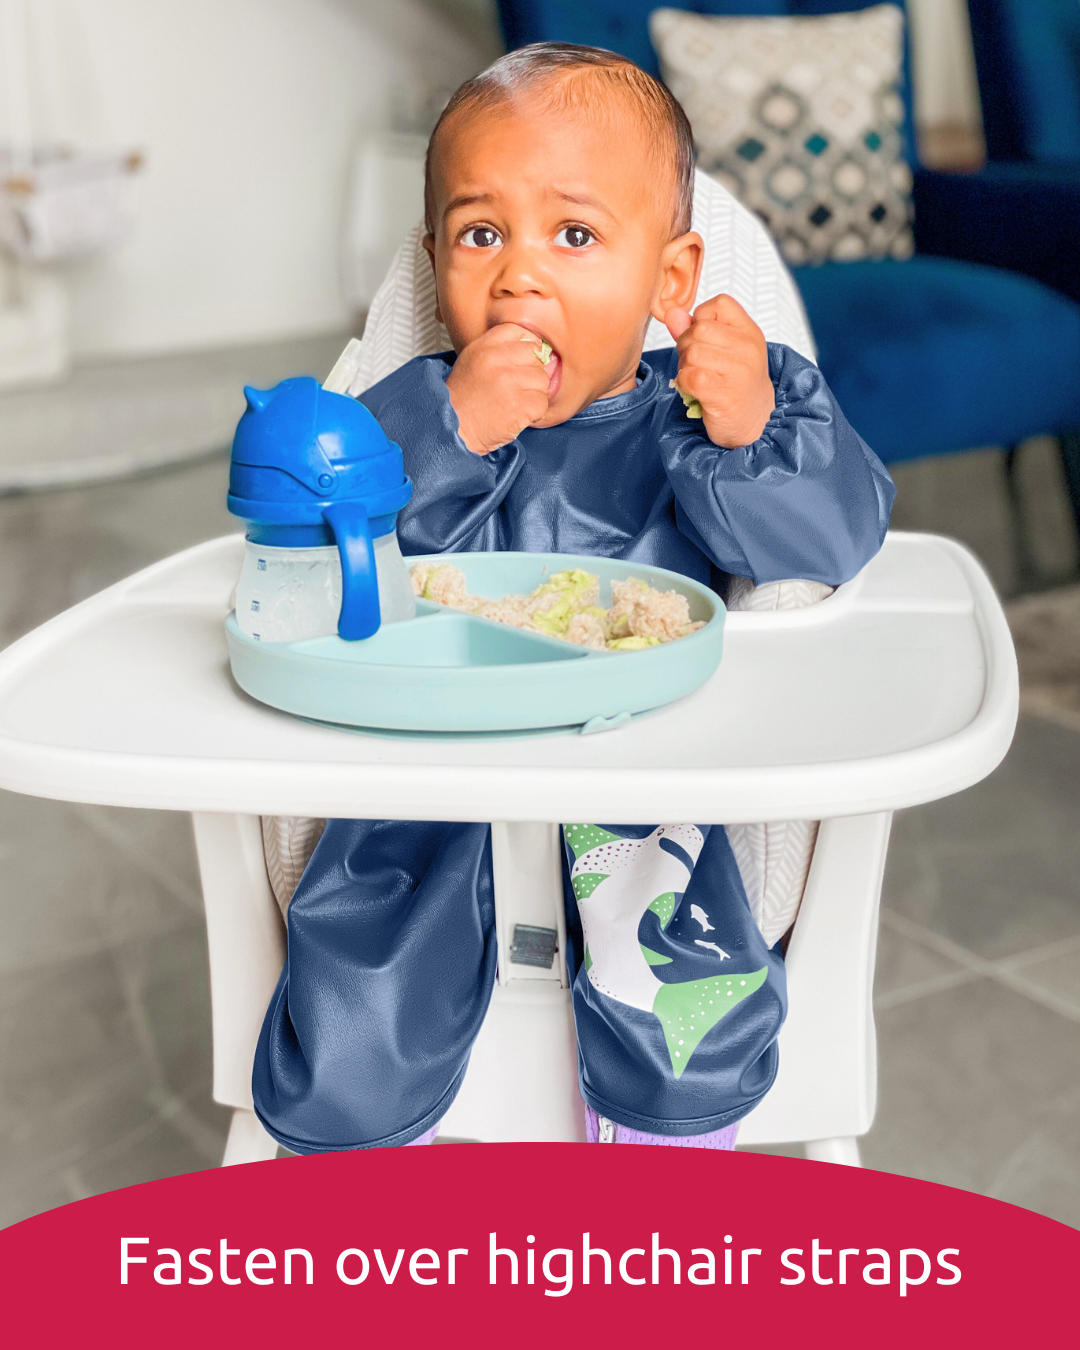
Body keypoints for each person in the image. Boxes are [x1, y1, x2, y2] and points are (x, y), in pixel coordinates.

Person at [252, 43, 895, 1153]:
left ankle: (656, 1191)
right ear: (433, 260)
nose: (519, 277)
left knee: (688, 995)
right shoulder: (402, 416)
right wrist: (448, 431)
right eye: (481, 234)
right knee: (354, 992)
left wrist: (757, 432)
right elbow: (311, 568)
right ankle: (359, 1208)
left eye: (577, 235)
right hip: (428, 788)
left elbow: (841, 536)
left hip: (644, 792)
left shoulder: (701, 419)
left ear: (672, 281)